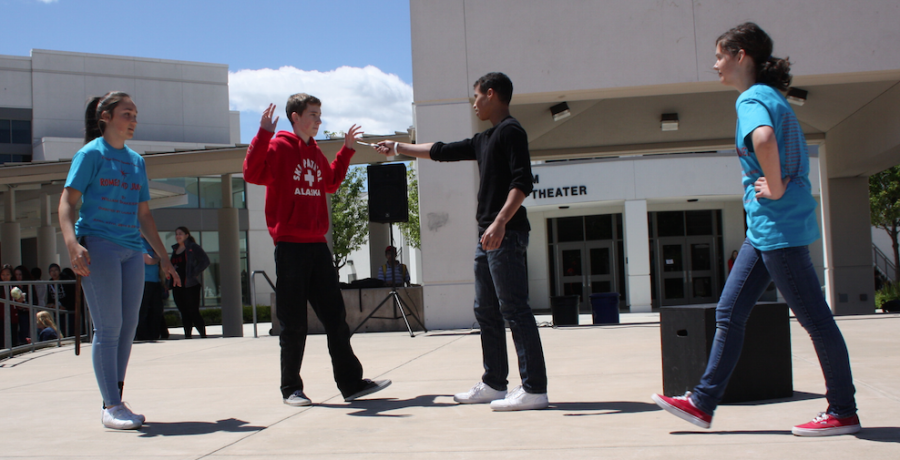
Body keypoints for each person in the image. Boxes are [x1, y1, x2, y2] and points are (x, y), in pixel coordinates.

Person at [651, 22, 860, 437]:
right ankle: (702, 403)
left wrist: (776, 184)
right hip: (766, 229)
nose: (715, 65)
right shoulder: (771, 97)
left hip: (776, 227)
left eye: (719, 56)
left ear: (740, 55)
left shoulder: (751, 99)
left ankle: (842, 410)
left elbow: (763, 140)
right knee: (729, 313)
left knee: (816, 322)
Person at [375, 72, 549, 411]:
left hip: (506, 233)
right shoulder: (485, 139)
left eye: (477, 96)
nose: (474, 102)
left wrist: (500, 222)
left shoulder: (511, 131)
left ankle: (534, 388)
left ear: (491, 93)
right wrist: (397, 147)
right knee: (485, 310)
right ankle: (495, 383)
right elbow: (440, 151)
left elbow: (523, 182)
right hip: (487, 237)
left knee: (515, 309)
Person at [243, 93, 391, 407]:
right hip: (290, 247)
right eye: (313, 114)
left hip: (317, 246)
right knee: (294, 322)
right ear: (295, 117)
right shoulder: (279, 146)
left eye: (320, 115)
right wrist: (263, 133)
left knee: (336, 318)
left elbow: (332, 182)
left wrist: (347, 150)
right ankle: (291, 389)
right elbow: (252, 173)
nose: (318, 121)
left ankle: (351, 384)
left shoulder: (313, 152)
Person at [59, 91, 180, 430]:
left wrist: (164, 258)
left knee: (128, 328)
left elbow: (145, 215)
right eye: (127, 114)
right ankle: (111, 405)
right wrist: (72, 245)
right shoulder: (89, 154)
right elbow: (66, 204)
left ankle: (115, 399)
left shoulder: (136, 161)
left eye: (135, 115)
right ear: (106, 118)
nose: (133, 121)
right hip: (99, 245)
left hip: (131, 250)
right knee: (109, 327)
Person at [169, 227, 209, 339]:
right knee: (183, 311)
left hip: (190, 285)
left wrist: (194, 272)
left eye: (180, 234)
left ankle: (203, 334)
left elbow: (205, 261)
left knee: (193, 310)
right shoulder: (175, 249)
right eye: (176, 234)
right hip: (177, 285)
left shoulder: (192, 247)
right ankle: (187, 336)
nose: (178, 236)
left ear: (187, 235)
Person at [136, 236, 165, 341]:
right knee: (143, 310)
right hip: (144, 281)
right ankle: (142, 335)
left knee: (157, 309)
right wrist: (157, 258)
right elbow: (148, 260)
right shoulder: (139, 241)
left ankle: (155, 334)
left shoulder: (152, 242)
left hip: (156, 280)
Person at [13, 265, 34, 345]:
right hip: (16, 312)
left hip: (26, 313)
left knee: (26, 331)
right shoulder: (13, 286)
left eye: (20, 274)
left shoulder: (28, 285)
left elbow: (34, 299)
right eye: (16, 275)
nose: (18, 277)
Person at [0, 264, 17, 348]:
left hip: (13, 317)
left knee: (13, 337)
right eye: (3, 274)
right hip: (1, 317)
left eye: (7, 274)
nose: (5, 277)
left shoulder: (14, 287)